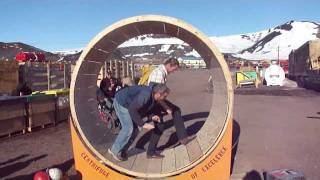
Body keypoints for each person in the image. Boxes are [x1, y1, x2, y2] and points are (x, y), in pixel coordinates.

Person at [108, 84, 170, 161]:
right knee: (128, 128)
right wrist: (143, 124)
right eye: (164, 96)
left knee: (136, 130)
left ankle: (122, 149)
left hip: (130, 105)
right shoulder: (146, 94)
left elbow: (146, 107)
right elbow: (132, 109)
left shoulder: (153, 96)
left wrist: (152, 116)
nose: (164, 99)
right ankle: (114, 150)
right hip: (122, 103)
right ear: (158, 94)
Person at [146, 57, 194, 158]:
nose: (174, 71)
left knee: (173, 113)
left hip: (156, 99)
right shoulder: (159, 73)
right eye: (174, 68)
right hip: (155, 101)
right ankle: (151, 152)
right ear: (169, 65)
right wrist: (166, 107)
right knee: (164, 121)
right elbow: (157, 95)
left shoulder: (161, 71)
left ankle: (183, 138)